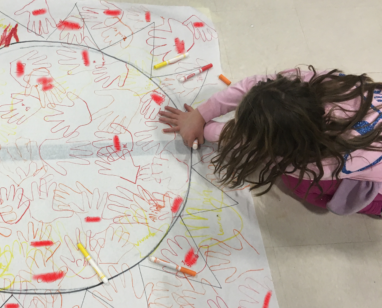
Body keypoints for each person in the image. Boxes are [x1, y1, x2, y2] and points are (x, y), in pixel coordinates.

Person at [158, 66, 382, 216]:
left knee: (302, 183)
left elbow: (244, 143)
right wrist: (200, 114)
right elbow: (254, 85)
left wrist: (206, 129)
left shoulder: (319, 163)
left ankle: (375, 204)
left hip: (373, 169)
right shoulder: (312, 82)